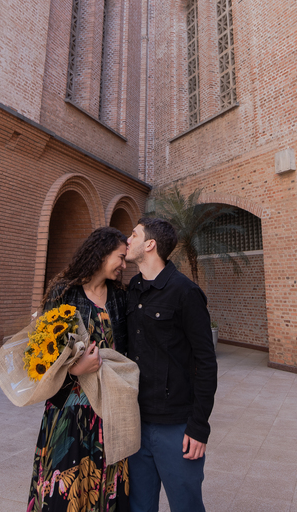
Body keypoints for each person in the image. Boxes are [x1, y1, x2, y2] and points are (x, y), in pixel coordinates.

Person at [29, 226, 131, 512]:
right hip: (69, 410)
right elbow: (40, 353)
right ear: (101, 253)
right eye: (120, 257)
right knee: (66, 489)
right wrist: (76, 370)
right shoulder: (63, 292)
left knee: (105, 487)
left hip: (108, 408)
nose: (124, 265)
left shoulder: (120, 297)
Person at [124, 217, 217, 512]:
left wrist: (199, 426)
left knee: (186, 505)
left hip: (176, 428)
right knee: (139, 506)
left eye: (134, 235)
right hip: (136, 422)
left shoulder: (184, 292)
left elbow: (206, 362)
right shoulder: (132, 289)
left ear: (149, 245)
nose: (128, 239)